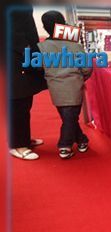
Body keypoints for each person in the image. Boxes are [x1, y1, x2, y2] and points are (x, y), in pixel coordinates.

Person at [38, 10, 92, 159]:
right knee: (70, 118)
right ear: (63, 25)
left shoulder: (41, 47)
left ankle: (81, 140)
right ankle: (64, 145)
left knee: (68, 118)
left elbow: (40, 68)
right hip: (73, 86)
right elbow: (87, 68)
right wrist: (80, 78)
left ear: (44, 27)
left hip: (55, 88)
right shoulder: (74, 45)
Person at [9, 5, 47, 160]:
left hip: (23, 52)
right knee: (18, 100)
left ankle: (22, 138)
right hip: (15, 55)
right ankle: (17, 144)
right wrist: (29, 53)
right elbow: (12, 33)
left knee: (25, 99)